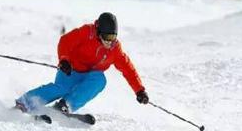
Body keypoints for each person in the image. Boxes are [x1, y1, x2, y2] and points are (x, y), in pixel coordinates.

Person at [15, 12, 149, 114]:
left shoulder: (115, 49)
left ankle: (66, 105)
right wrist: (64, 59)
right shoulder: (86, 32)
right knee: (62, 88)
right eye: (107, 37)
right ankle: (25, 102)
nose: (109, 42)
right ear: (98, 31)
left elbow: (128, 69)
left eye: (113, 37)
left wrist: (139, 90)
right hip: (70, 69)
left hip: (89, 77)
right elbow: (65, 41)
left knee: (100, 79)